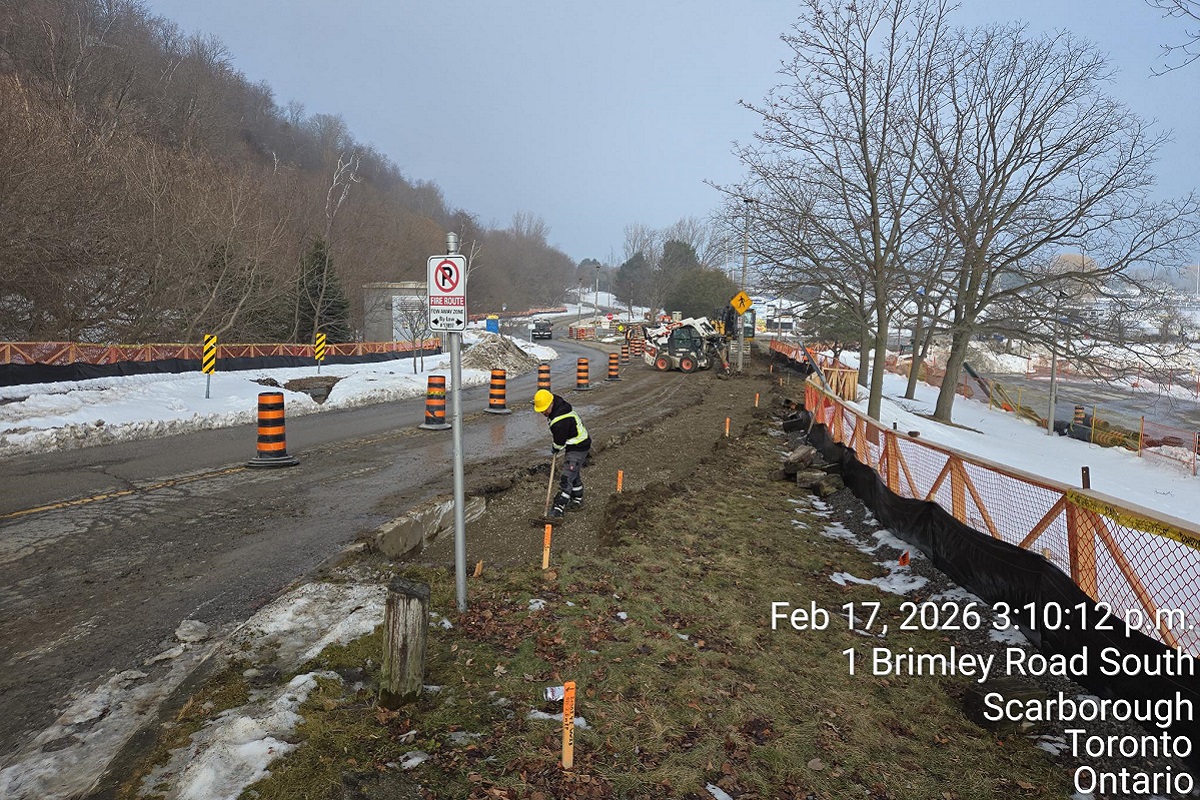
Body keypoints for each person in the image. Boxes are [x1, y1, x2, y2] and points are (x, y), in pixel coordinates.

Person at [533, 389, 591, 518]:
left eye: (544, 409)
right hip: (577, 444)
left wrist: (555, 447)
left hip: (578, 446)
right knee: (573, 474)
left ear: (551, 403)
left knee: (566, 477)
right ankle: (577, 500)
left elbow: (559, 441)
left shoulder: (560, 420)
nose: (543, 412)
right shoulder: (560, 406)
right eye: (541, 410)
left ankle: (558, 507)